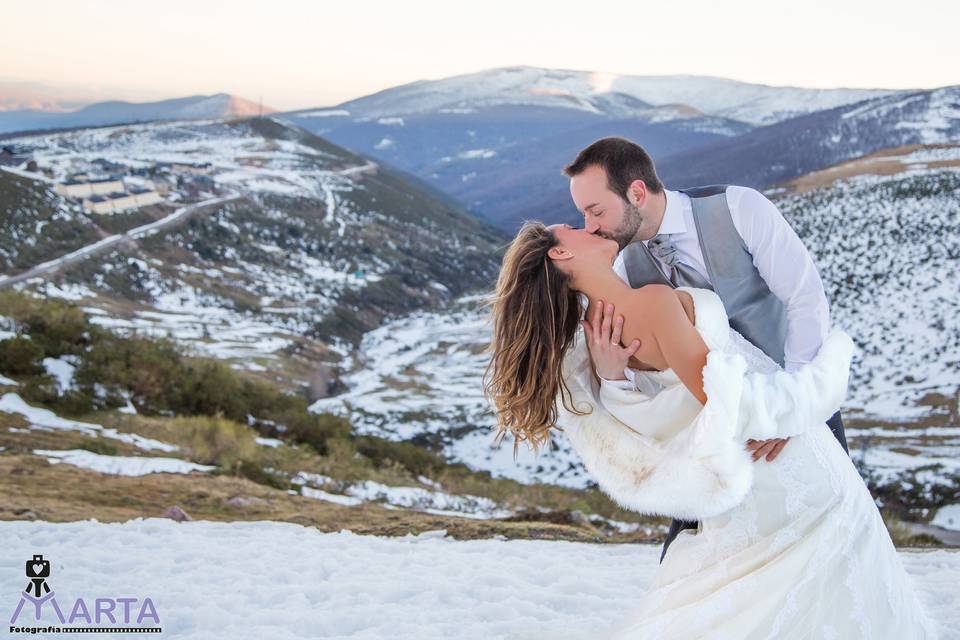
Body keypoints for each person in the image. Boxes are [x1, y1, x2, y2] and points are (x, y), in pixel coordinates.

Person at [483, 222, 939, 639]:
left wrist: (616, 382)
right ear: (562, 256)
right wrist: (825, 373)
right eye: (573, 228)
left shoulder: (600, 340)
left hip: (752, 468)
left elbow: (662, 423)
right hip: (781, 457)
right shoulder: (652, 304)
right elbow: (727, 402)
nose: (587, 225)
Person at [562, 136, 850, 563]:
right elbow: (655, 369)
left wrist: (787, 406)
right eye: (582, 214)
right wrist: (612, 374)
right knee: (694, 561)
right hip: (714, 436)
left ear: (637, 192)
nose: (589, 225)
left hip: (792, 396)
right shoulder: (622, 268)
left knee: (833, 543)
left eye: (596, 210)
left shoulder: (738, 208)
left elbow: (805, 298)